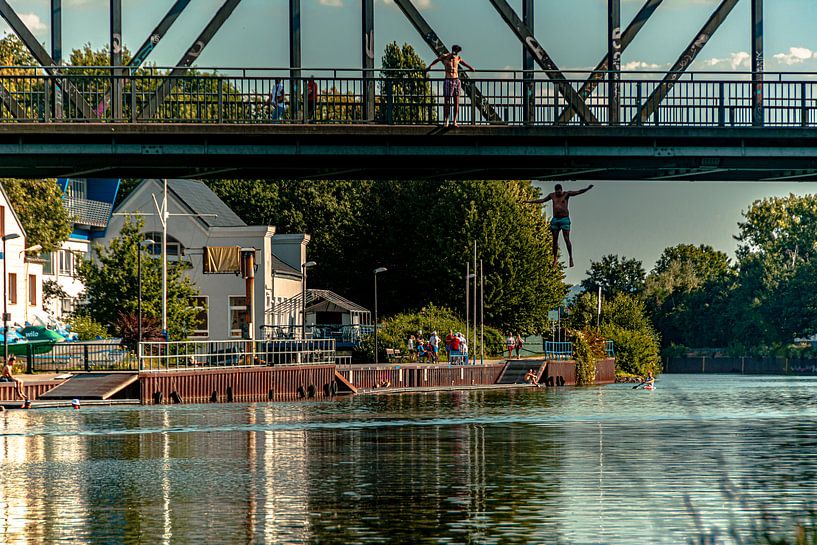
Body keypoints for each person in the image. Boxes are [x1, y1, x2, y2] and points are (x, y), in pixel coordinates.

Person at [525, 183, 594, 267]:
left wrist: (587, 189)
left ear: (561, 190)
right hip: (555, 220)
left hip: (564, 219)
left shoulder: (566, 194)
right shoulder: (552, 195)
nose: (558, 194)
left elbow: (578, 192)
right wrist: (530, 201)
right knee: (554, 240)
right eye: (556, 192)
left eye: (559, 192)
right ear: (555, 191)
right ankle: (555, 259)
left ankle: (570, 257)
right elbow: (542, 200)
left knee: (566, 239)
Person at [425, 44, 474, 128]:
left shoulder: (458, 58)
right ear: (453, 51)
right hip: (448, 80)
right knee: (447, 102)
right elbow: (436, 60)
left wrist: (470, 68)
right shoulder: (445, 56)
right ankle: (446, 121)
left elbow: (463, 63)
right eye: (456, 52)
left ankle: (455, 121)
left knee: (456, 102)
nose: (456, 54)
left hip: (456, 80)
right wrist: (430, 67)